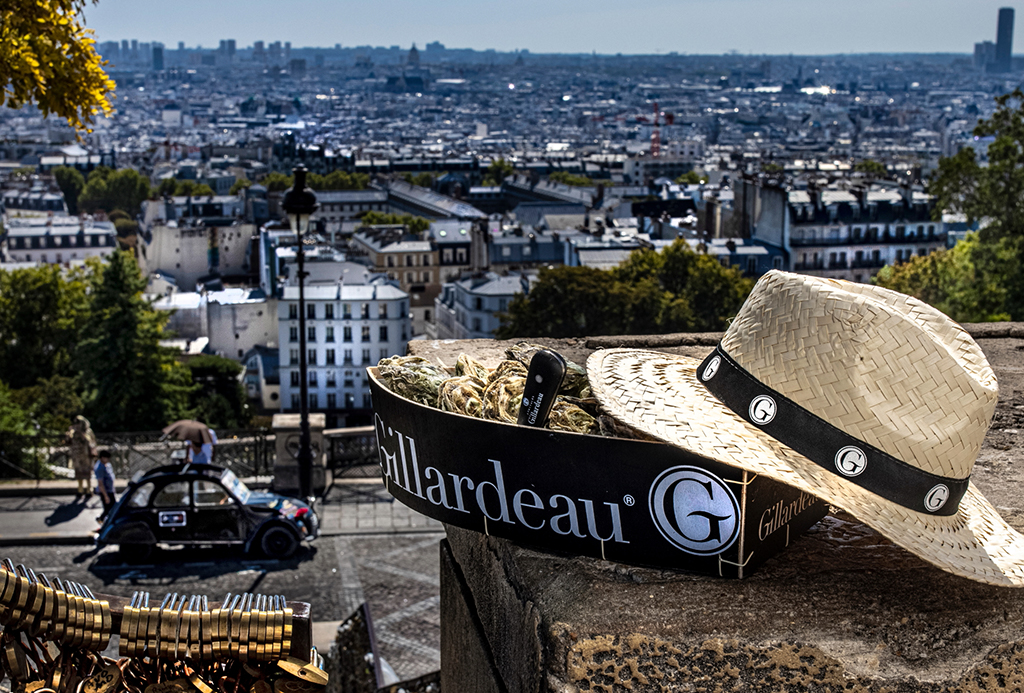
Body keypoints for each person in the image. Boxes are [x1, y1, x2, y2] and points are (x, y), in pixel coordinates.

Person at [66, 415, 97, 501]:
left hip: (86, 456)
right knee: (78, 473)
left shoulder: (88, 431)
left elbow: (91, 442)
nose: (77, 425)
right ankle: (80, 490)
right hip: (77, 456)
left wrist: (81, 434)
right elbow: (68, 442)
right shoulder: (73, 431)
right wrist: (69, 433)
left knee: (87, 473)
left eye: (78, 423)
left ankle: (89, 489)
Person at [94, 449, 116, 521]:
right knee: (109, 509)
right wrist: (105, 496)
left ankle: (102, 520)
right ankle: (101, 520)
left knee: (112, 508)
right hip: (105, 491)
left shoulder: (107, 465)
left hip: (110, 490)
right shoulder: (100, 468)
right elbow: (100, 483)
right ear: (102, 458)